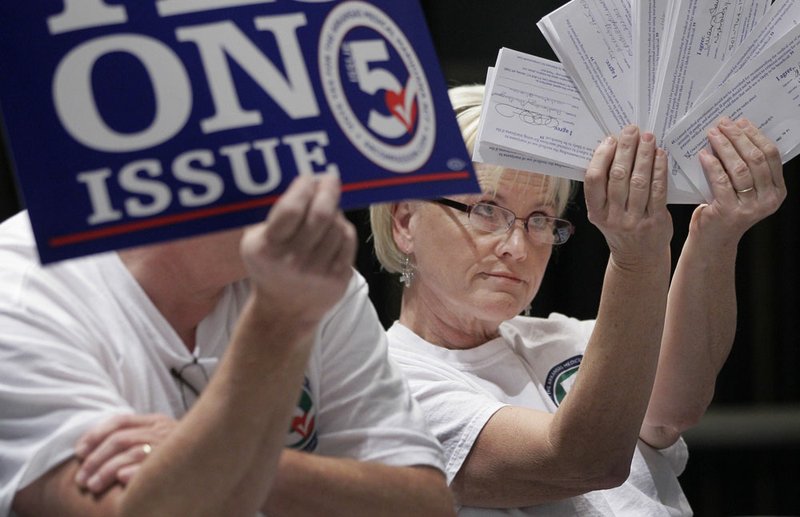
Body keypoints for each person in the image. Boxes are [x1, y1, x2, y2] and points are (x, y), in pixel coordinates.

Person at [369, 84, 787, 515]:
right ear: (405, 222)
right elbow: (581, 463)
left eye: (539, 218)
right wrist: (635, 258)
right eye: (487, 210)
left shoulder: (561, 336)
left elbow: (670, 411)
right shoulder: (386, 382)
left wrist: (717, 230)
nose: (518, 245)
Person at [0, 173, 455, 516]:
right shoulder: (20, 287)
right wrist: (279, 320)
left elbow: (424, 502)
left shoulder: (309, 279)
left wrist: (217, 457)